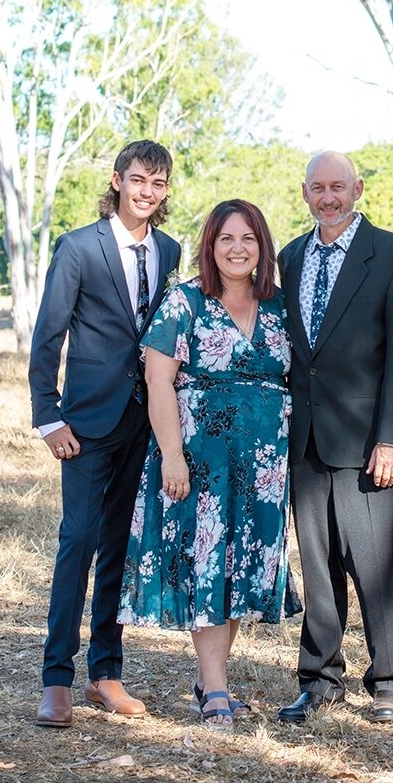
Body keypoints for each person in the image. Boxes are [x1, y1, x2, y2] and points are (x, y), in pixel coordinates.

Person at [117, 199, 299, 731]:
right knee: (208, 565)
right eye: (226, 239)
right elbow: (157, 382)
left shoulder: (280, 307)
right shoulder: (185, 302)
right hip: (200, 460)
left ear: (262, 247)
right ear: (210, 246)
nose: (238, 249)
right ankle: (215, 687)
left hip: (265, 465)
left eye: (248, 239)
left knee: (243, 568)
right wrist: (172, 455)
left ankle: (209, 677)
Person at [29, 140, 180, 729]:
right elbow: (48, 336)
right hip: (86, 422)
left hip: (143, 422)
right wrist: (49, 415)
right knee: (79, 544)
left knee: (121, 546)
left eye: (158, 183)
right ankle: (55, 679)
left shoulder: (168, 251)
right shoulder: (78, 248)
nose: (147, 191)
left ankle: (106, 673)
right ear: (117, 181)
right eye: (138, 179)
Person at [276, 150, 393, 725]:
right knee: (317, 563)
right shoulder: (288, 257)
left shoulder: (390, 255)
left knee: (374, 563)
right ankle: (319, 679)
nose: (328, 197)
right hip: (304, 438)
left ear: (358, 188)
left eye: (339, 186)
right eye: (318, 188)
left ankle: (391, 680)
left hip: (368, 441)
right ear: (305, 192)